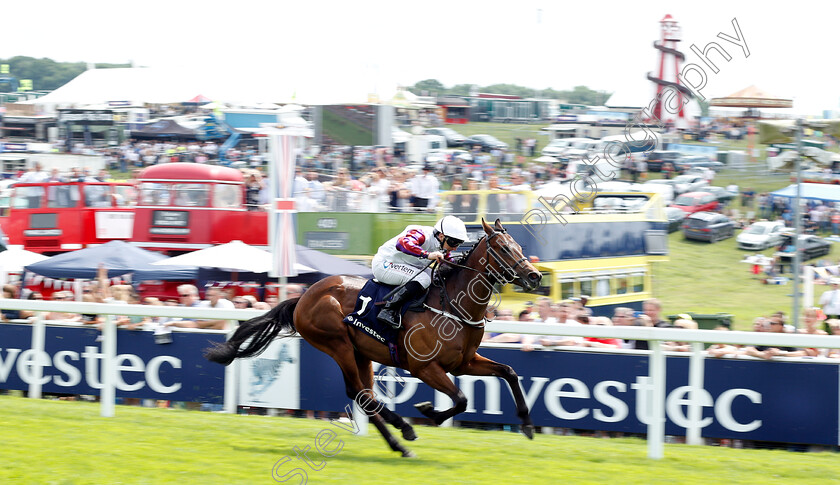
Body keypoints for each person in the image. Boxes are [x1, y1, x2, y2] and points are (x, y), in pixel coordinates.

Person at [372, 215, 469, 329]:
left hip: (404, 265)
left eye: (459, 243)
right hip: (384, 264)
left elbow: (449, 263)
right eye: (454, 242)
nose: (455, 248)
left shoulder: (442, 245)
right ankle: (388, 310)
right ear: (442, 236)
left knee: (434, 279)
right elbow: (402, 243)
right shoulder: (422, 234)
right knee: (423, 279)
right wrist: (427, 255)